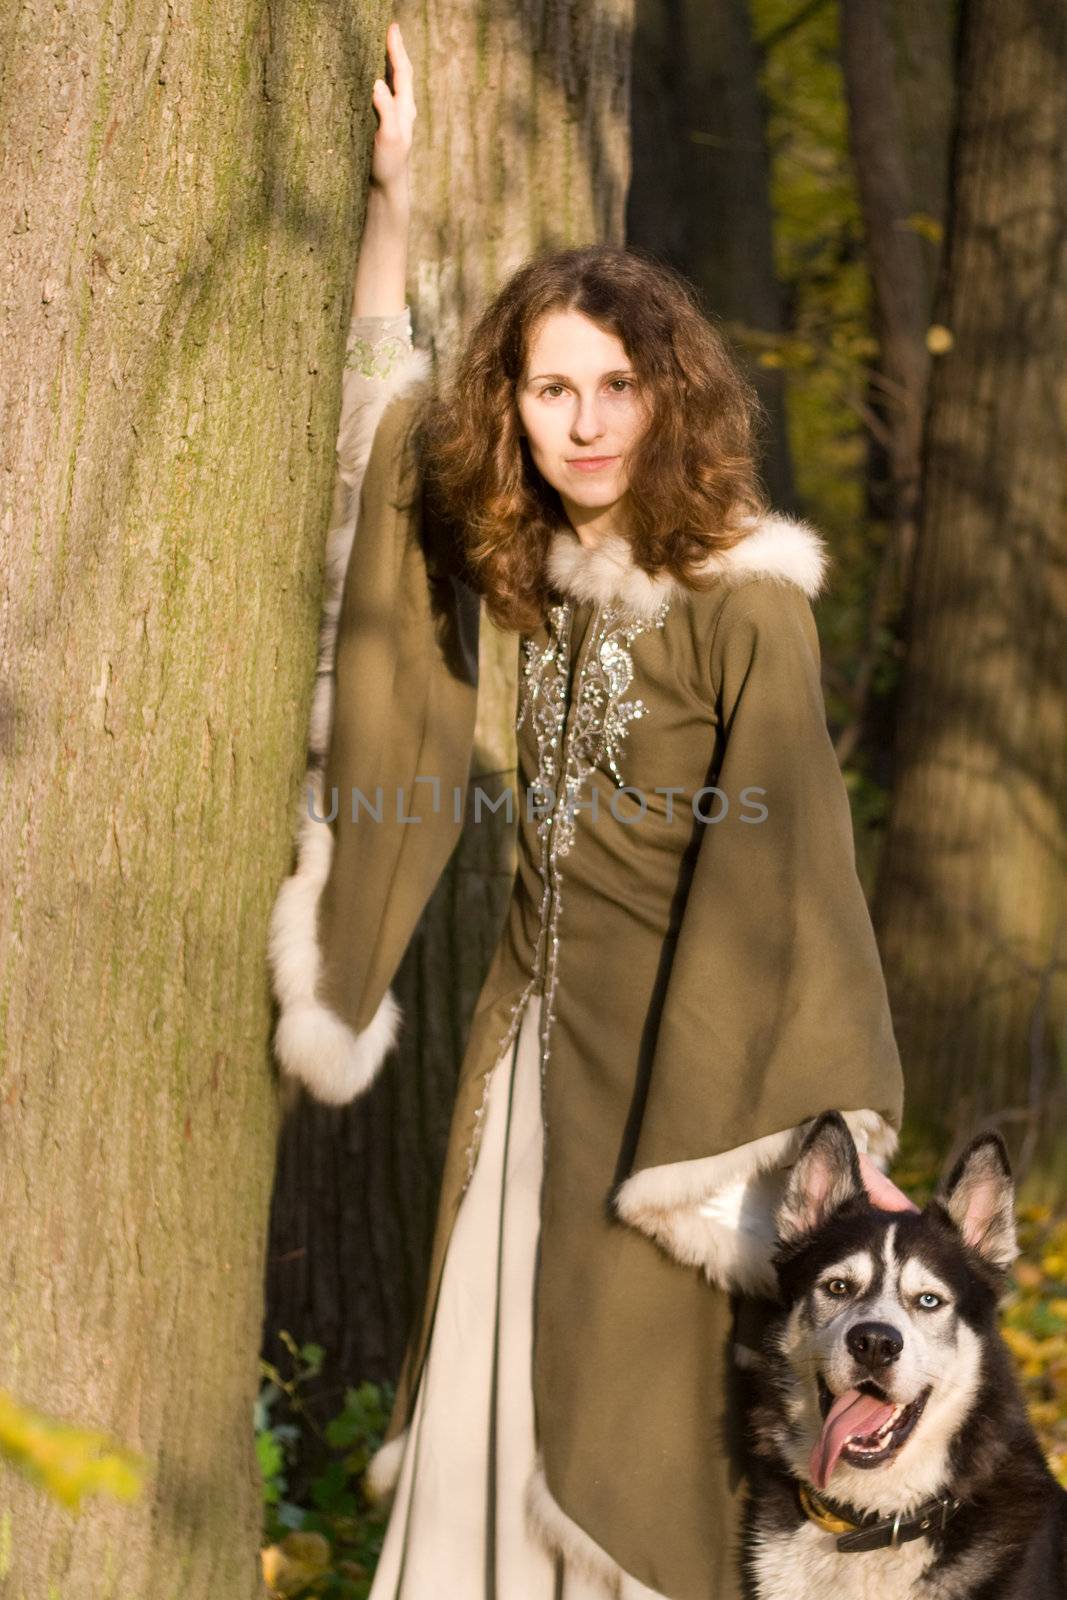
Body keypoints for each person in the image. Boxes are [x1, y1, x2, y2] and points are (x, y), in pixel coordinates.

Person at [268, 21, 908, 1599]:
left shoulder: (745, 601)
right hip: (523, 1067)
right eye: (552, 387)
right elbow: (396, 442)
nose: (585, 422)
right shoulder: (535, 574)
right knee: (487, 1414)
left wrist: (842, 1143)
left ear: (668, 395)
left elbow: (799, 873)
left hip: (675, 1109)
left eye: (617, 385)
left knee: (635, 1442)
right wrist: (393, 208)